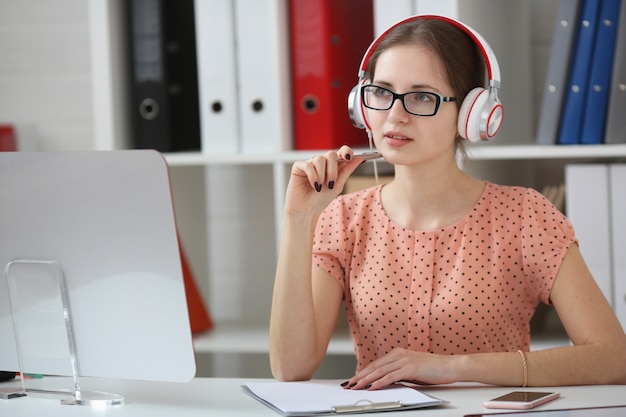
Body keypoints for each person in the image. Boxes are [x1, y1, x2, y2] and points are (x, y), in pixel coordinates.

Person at [269, 14, 626, 389]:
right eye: (381, 92)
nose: (394, 114)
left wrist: (455, 367)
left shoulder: (525, 216)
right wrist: (299, 218)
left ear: (473, 113)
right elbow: (291, 367)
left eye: (422, 96)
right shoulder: (344, 218)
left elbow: (613, 357)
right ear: (361, 103)